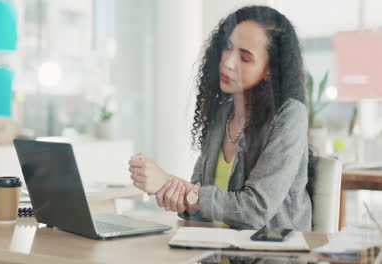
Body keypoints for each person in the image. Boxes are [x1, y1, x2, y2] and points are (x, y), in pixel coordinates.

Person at [128, 5, 314, 231]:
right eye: (227, 48)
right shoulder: (222, 114)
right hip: (214, 251)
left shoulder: (290, 115)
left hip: (267, 255)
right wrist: (176, 195)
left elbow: (255, 210)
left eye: (244, 58)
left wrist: (172, 183)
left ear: (270, 70)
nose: (227, 62)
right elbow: (200, 200)